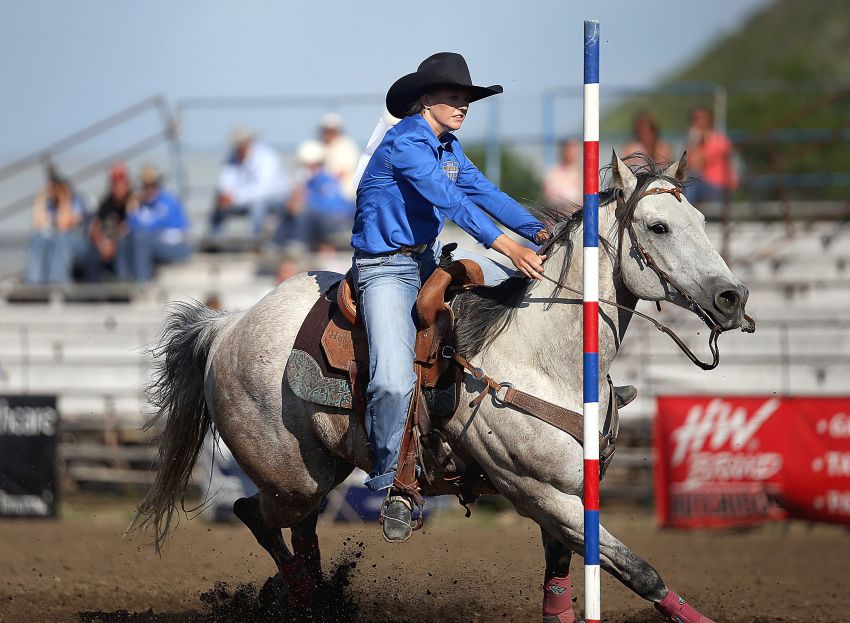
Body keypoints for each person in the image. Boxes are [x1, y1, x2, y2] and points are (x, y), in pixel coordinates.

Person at [353, 52, 549, 542]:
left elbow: (484, 191)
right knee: (393, 381)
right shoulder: (406, 145)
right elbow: (452, 201)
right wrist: (506, 243)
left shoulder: (448, 147)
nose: (463, 105)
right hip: (385, 269)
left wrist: (540, 230)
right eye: (454, 97)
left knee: (506, 298)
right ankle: (390, 478)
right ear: (426, 101)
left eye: (467, 98)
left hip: (424, 261)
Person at [210, 127, 290, 242]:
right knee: (219, 201)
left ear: (249, 143)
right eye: (237, 144)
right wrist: (224, 195)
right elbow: (225, 181)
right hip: (243, 198)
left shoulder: (266, 157)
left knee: (258, 204)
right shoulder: (230, 158)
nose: (239, 147)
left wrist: (234, 197)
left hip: (277, 198)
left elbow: (264, 189)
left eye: (242, 144)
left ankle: (257, 241)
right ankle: (215, 239)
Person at [117, 165, 191, 282]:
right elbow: (131, 226)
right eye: (145, 186)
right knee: (125, 240)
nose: (149, 189)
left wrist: (133, 211)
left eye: (152, 185)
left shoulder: (168, 202)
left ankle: (142, 283)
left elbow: (150, 226)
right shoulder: (141, 205)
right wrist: (131, 209)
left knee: (141, 238)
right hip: (153, 241)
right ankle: (123, 281)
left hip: (176, 245)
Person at [283, 139, 354, 252]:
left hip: (338, 221)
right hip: (324, 220)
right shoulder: (308, 183)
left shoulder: (326, 179)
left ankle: (299, 244)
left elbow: (333, 207)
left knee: (303, 210)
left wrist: (304, 199)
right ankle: (279, 244)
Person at [26, 167, 87, 285]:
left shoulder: (76, 202)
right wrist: (42, 196)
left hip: (78, 247)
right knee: (38, 238)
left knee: (61, 239)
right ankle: (33, 285)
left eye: (56, 189)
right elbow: (38, 225)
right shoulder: (49, 205)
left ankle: (58, 285)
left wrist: (64, 198)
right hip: (53, 245)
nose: (54, 192)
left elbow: (63, 225)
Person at [84, 162, 133, 281]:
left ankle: (122, 292)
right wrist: (101, 244)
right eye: (115, 183)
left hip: (122, 244)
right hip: (105, 246)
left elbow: (128, 227)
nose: (118, 187)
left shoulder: (133, 201)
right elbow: (95, 226)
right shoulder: (106, 203)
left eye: (121, 182)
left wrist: (113, 244)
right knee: (91, 252)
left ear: (127, 184)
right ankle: (93, 296)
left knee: (123, 246)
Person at [685, 106, 738, 204]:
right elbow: (687, 166)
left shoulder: (720, 141)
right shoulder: (695, 144)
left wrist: (695, 139)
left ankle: (683, 213)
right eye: (695, 119)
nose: (697, 122)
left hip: (719, 187)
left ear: (709, 120)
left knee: (692, 181)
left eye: (701, 118)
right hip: (702, 187)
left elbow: (696, 164)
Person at [318, 113, 360, 201]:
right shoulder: (321, 146)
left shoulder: (346, 145)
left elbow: (344, 170)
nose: (328, 134)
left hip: (345, 193)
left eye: (331, 131)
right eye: (326, 131)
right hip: (325, 192)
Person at [541, 138, 583, 209]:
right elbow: (548, 196)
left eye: (573, 149)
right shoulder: (553, 172)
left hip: (579, 215)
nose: (571, 152)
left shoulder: (585, 174)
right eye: (568, 149)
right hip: (556, 214)